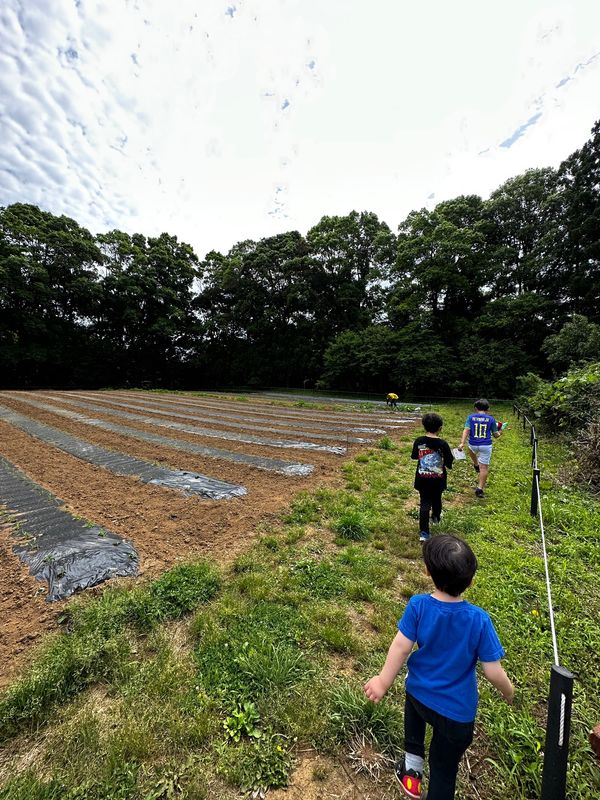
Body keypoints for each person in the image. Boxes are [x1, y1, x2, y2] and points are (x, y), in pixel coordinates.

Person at [364, 535, 514, 800]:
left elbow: (401, 647)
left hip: (420, 696)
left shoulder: (419, 605)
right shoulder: (479, 620)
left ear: (427, 571)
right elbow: (492, 671)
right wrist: (508, 690)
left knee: (414, 712)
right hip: (457, 714)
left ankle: (412, 767)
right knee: (444, 771)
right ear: (470, 581)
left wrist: (382, 681)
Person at [411, 412, 454, 542]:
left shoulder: (419, 441)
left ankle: (424, 533)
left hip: (422, 478)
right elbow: (449, 461)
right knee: (437, 498)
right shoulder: (443, 444)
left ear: (424, 426)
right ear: (440, 428)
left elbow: (414, 456)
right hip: (438, 479)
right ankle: (436, 517)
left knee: (424, 503)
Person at [457, 399, 502, 498]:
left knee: (471, 450)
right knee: (484, 468)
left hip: (473, 443)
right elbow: (496, 435)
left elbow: (466, 430)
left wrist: (462, 443)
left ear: (476, 408)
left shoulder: (471, 417)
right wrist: (500, 431)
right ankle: (480, 489)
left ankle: (476, 464)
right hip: (486, 445)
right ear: (488, 409)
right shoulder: (491, 419)